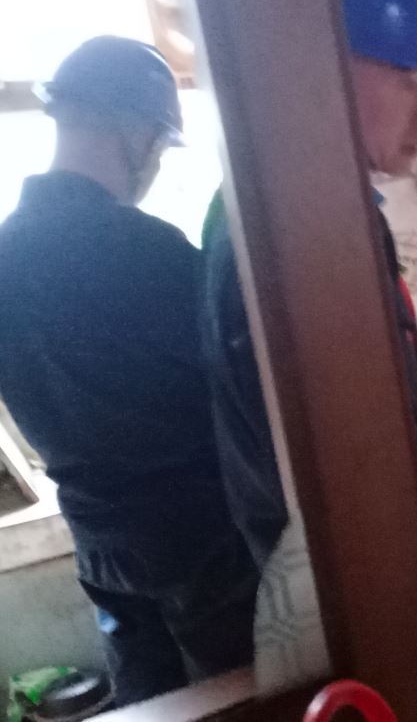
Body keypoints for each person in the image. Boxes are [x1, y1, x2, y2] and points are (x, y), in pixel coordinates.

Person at [202, 0, 417, 590]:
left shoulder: (255, 196)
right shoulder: (307, 219)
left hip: (313, 559)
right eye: (409, 81)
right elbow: (355, 440)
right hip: (339, 574)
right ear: (325, 67)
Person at [0, 37, 258, 707]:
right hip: (200, 543)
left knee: (149, 705)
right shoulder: (147, 252)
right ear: (135, 131)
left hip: (99, 546)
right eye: (160, 145)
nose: (155, 164)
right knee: (244, 703)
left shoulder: (5, 256)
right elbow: (245, 385)